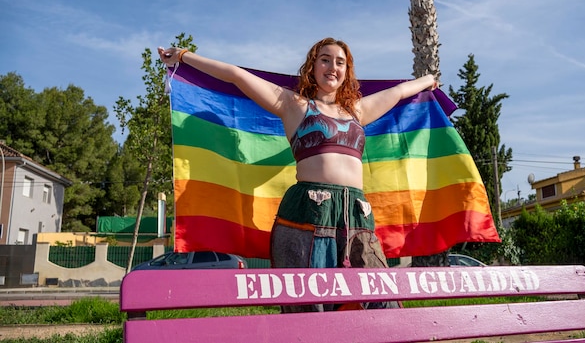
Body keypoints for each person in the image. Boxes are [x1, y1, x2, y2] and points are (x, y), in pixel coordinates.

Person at [158, 37, 437, 312]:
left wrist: (429, 80)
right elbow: (236, 76)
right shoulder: (294, 105)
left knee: (379, 298)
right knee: (309, 302)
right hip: (309, 212)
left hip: (357, 214)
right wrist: (183, 55)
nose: (332, 66)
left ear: (347, 72)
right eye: (325, 60)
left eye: (340, 62)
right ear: (312, 68)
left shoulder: (357, 111)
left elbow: (400, 92)